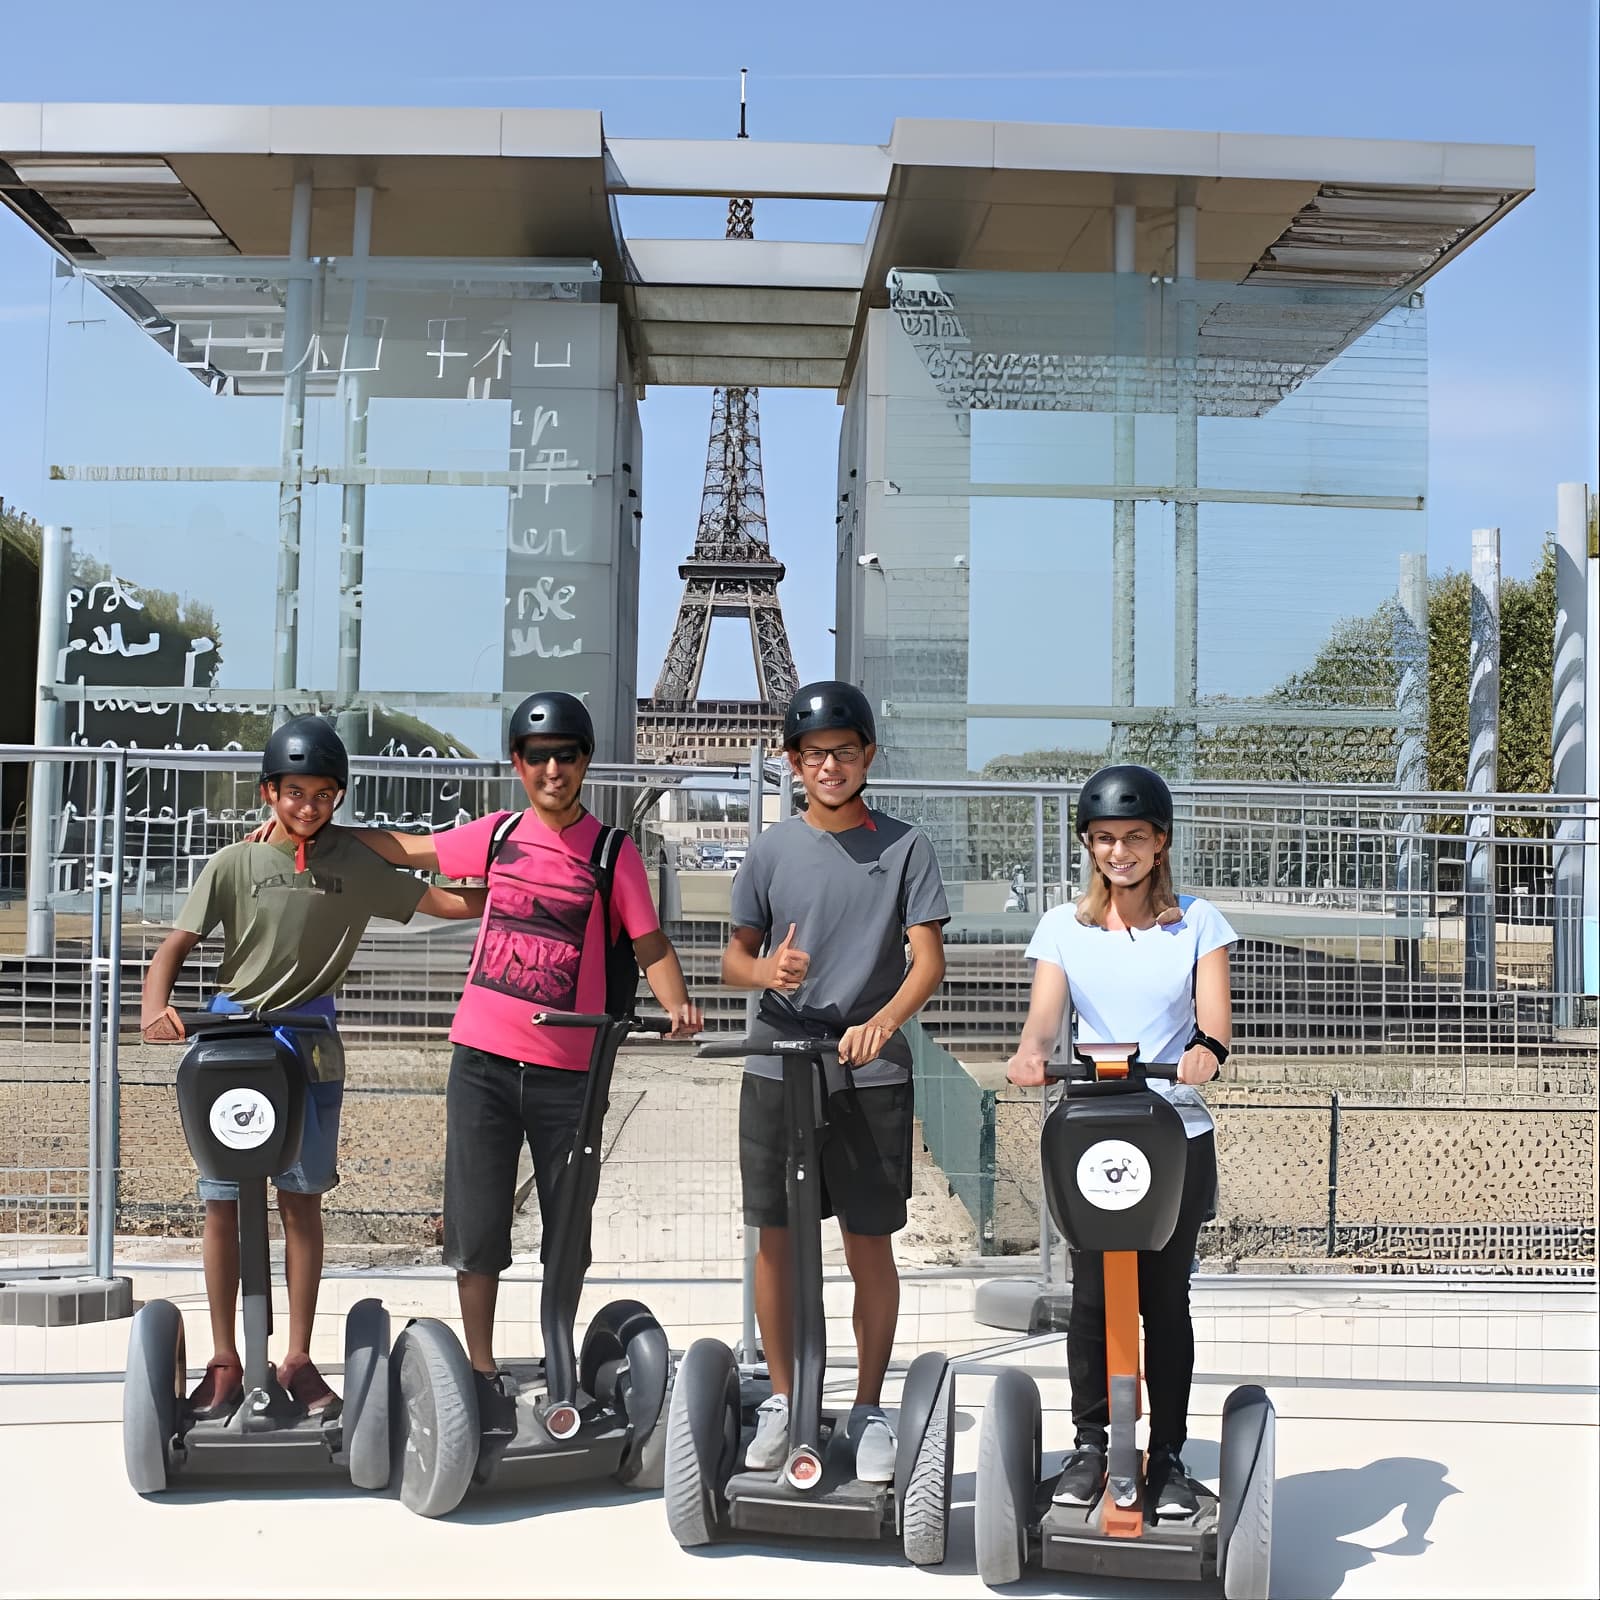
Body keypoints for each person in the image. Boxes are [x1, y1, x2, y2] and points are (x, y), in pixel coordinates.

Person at [345, 691, 701, 1451]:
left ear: (584, 763)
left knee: (567, 1230)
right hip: (481, 1062)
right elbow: (410, 850)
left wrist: (679, 1005)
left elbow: (650, 944)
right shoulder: (499, 833)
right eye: (537, 758)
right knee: (476, 1228)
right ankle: (478, 1371)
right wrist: (304, 833)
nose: (552, 770)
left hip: (570, 1072)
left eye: (566, 756)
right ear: (518, 765)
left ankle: (560, 1357)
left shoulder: (612, 852)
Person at [140, 715, 487, 1417]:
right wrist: (156, 1006)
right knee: (223, 1203)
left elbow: (447, 902)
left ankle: (296, 1357)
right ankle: (226, 1358)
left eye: (324, 794)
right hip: (232, 1041)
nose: (307, 807)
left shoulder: (354, 865)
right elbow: (176, 943)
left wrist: (506, 873)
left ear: (339, 798)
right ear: (269, 792)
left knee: (301, 1202)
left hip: (310, 1040)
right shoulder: (235, 864)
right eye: (294, 791)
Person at [721, 680, 949, 1483]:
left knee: (867, 1242)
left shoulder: (904, 847)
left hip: (869, 1066)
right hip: (779, 1060)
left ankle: (868, 1406)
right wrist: (766, 969)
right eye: (814, 755)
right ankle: (786, 1399)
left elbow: (928, 960)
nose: (829, 766)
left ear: (867, 757)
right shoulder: (772, 849)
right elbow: (732, 959)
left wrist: (884, 1020)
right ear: (792, 762)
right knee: (776, 1242)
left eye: (844, 752)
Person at [1006, 763, 1235, 1519]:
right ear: (1088, 845)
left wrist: (1204, 1052)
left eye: (1134, 837)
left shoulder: (1199, 921)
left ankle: (1166, 1451)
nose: (1119, 852)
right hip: (1095, 1130)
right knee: (1092, 1299)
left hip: (1172, 1129)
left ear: (1161, 842)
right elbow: (1044, 1021)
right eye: (1104, 838)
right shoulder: (1062, 927)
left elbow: (1213, 1024)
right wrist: (1032, 1052)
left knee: (1165, 1301)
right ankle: (1093, 1443)